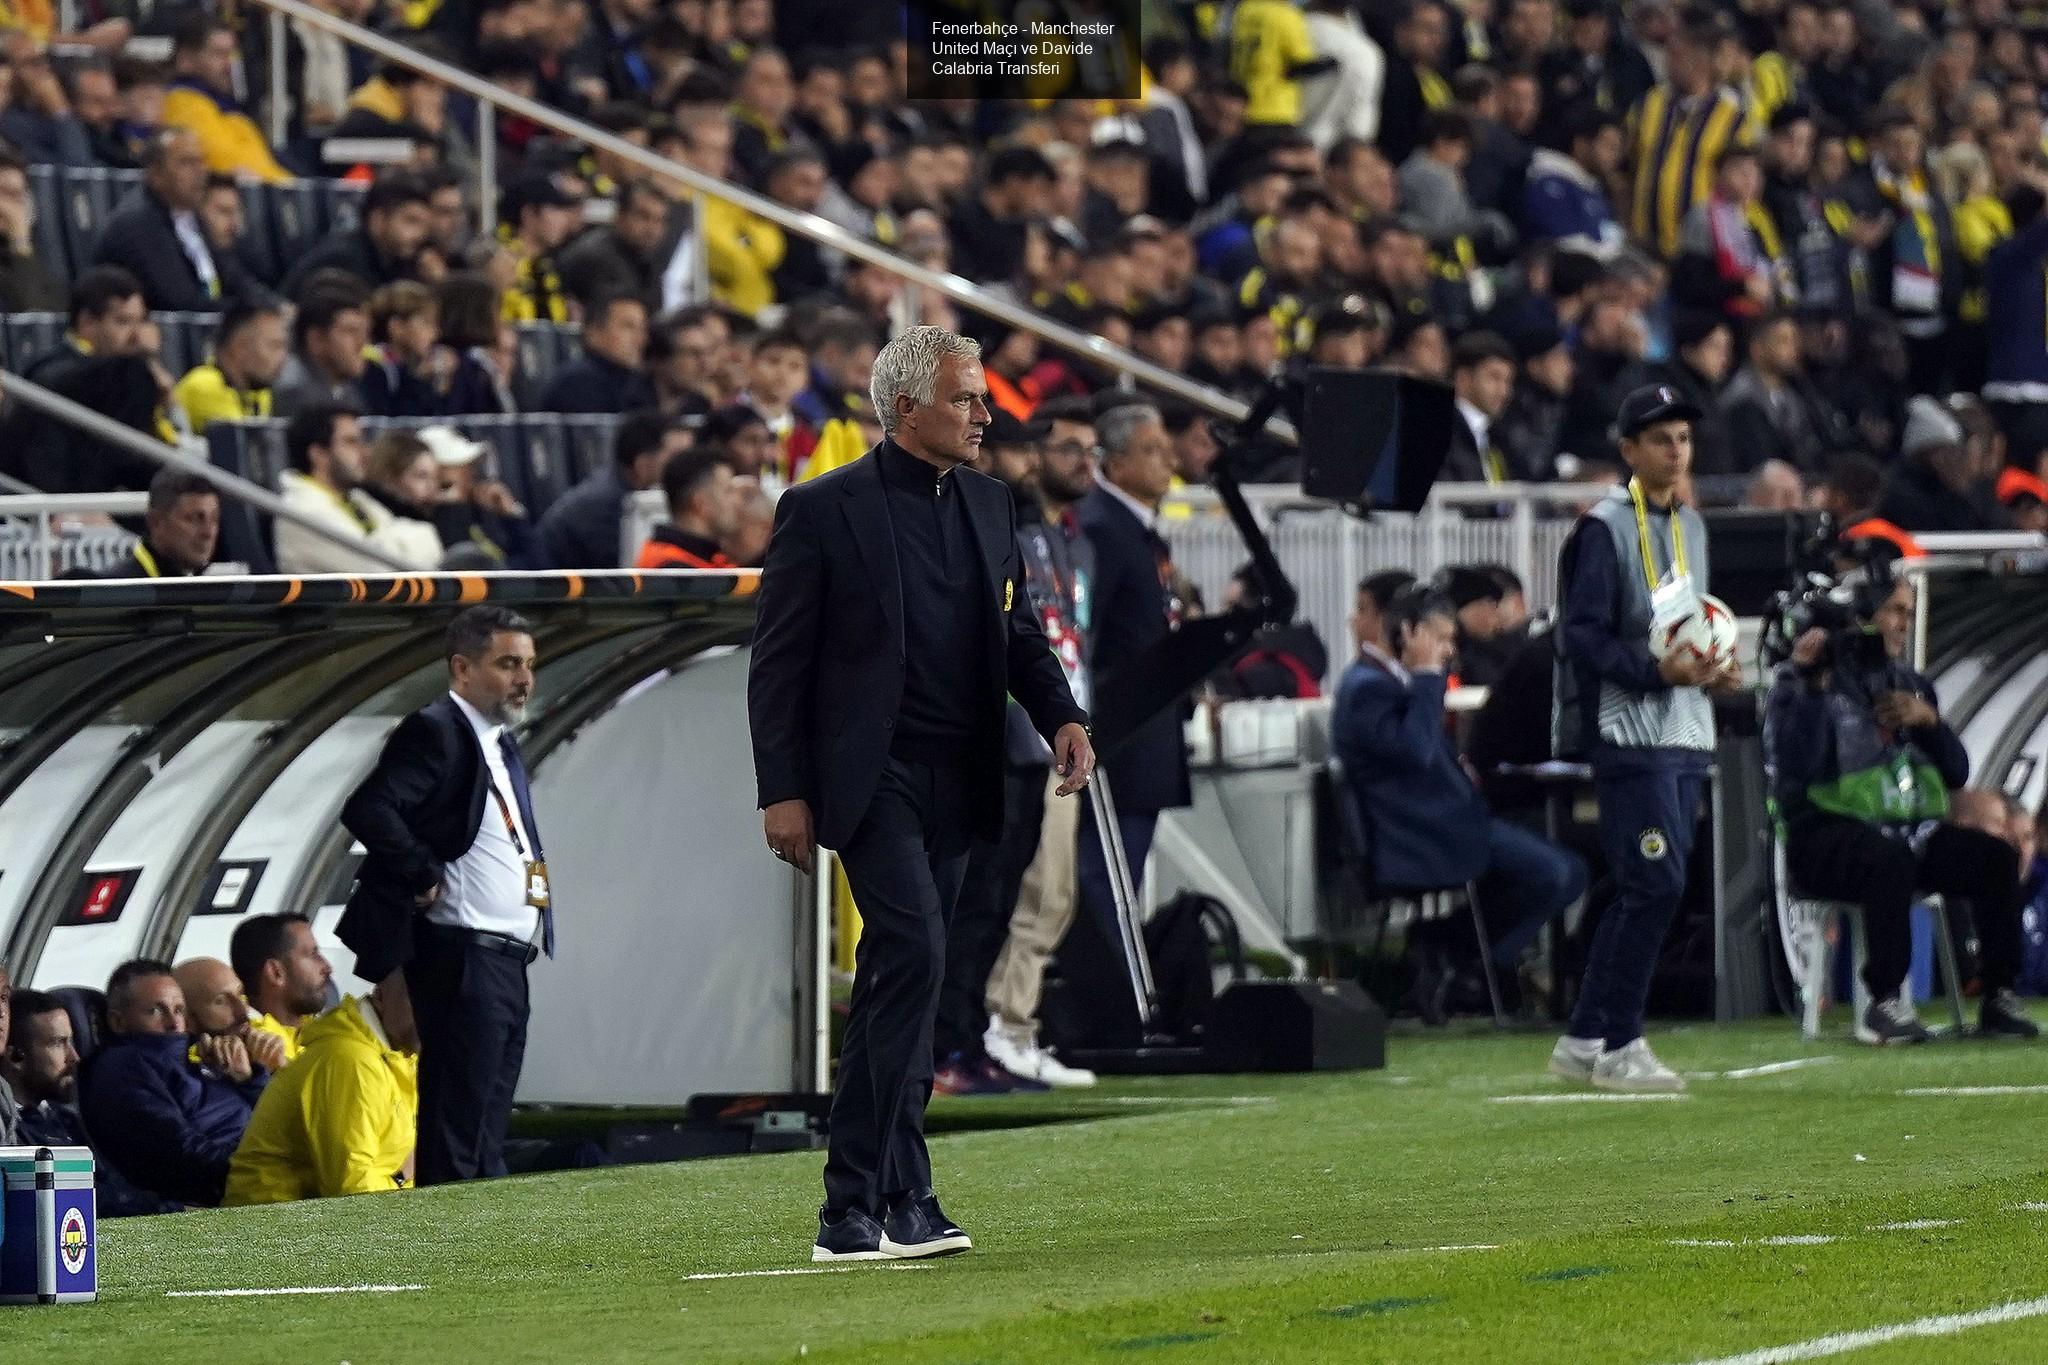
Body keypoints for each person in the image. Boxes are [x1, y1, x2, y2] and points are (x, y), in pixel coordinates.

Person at [748, 326, 1093, 1262]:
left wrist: (1062, 712)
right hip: (875, 777)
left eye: (983, 398)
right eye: (968, 399)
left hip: (963, 768)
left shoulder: (990, 502)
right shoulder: (822, 508)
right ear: (906, 408)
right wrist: (781, 788)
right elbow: (778, 663)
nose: (987, 414)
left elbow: (1018, 634)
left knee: (914, 975)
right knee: (913, 951)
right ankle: (850, 1203)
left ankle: (898, 1197)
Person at [1550, 383, 1742, 1092]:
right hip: (1628, 729)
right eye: (1661, 438)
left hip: (1685, 728)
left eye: (1684, 437)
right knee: (1653, 882)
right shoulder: (1601, 528)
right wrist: (1653, 670)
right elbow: (1580, 635)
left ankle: (1585, 1035)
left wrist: (1713, 669)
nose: (1677, 449)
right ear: (1628, 450)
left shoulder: (1693, 526)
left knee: (1652, 885)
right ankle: (1622, 1042)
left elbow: (1693, 619)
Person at [1766, 576, 2038, 1041]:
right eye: (1894, 611)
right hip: (1821, 837)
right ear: (1861, 618)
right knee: (1886, 860)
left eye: (1907, 613)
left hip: (1906, 833)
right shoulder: (1798, 682)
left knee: (1995, 856)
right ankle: (1885, 1001)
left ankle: (1998, 995)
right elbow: (1798, 767)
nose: (1903, 623)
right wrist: (1814, 689)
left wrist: (1930, 722)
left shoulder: (1910, 684)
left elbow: (1955, 773)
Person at [338, 606, 552, 1185]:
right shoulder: (435, 730)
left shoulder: (499, 742)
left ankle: (482, 1259)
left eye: (529, 664)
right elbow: (369, 809)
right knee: (456, 1127)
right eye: (508, 664)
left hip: (508, 959)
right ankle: (445, 1259)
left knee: (486, 1128)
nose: (524, 679)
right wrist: (422, 871)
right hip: (463, 956)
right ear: (461, 668)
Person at [1334, 586, 1587, 1017]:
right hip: (1421, 835)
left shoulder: (1385, 682)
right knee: (1562, 872)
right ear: (1408, 632)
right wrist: (1428, 677)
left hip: (1448, 823)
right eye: (1440, 638)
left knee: (1551, 857)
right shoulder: (1367, 688)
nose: (1449, 650)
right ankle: (1474, 963)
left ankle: (1448, 949)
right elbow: (1416, 752)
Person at [978, 399, 1100, 1089]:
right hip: (1024, 736)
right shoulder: (1015, 534)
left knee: (1054, 890)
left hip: (1062, 728)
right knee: (1036, 885)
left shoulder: (1070, 541)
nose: (1080, 463)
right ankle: (1003, 1023)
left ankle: (1014, 1023)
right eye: (1064, 449)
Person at [1073, 403, 1192, 1004]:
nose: (1168, 459)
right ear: (1114, 464)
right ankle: (1118, 1002)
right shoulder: (1101, 529)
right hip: (1120, 734)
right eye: (1150, 449)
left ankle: (1126, 997)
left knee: (1123, 871)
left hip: (1144, 729)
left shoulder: (1134, 528)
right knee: (1103, 871)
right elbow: (1088, 640)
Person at [76, 958, 268, 1206]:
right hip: (234, 1186)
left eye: (179, 1010)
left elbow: (274, 1114)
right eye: (156, 1010)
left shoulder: (202, 1057)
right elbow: (183, 1153)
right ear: (118, 1022)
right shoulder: (123, 1067)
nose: (174, 1022)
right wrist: (266, 1164)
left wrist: (248, 1079)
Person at [222, 974, 421, 1205]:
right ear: (382, 993)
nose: (435, 1012)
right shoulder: (351, 1060)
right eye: (422, 997)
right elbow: (352, 1197)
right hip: (271, 1226)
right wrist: (401, 1178)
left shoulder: (399, 1059)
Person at [4, 989, 181, 1216]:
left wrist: (169, 1208)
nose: (74, 1057)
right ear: (16, 1057)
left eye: (72, 1042)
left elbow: (112, 1185)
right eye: (59, 1043)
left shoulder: (64, 1118)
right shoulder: (11, 1132)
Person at [275, 403, 442, 574]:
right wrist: (409, 540)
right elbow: (377, 570)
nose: (365, 452)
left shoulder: (354, 497)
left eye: (362, 441)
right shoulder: (301, 512)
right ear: (318, 454)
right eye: (351, 442)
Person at [89, 127, 228, 312]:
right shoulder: (138, 224)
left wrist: (265, 307)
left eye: (201, 162)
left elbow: (233, 277)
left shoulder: (192, 216)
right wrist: (240, 315)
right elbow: (179, 301)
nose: (200, 172)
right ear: (155, 175)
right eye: (187, 163)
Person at [536, 409, 687, 570]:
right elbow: (625, 577)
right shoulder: (603, 507)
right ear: (642, 464)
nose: (689, 465)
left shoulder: (626, 490)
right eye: (678, 457)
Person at [159, 16, 291, 184]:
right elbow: (223, 161)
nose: (229, 64)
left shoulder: (228, 109)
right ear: (186, 60)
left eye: (231, 54)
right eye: (218, 54)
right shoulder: (182, 101)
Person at [62, 467, 218, 579]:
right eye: (195, 519)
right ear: (156, 522)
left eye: (214, 519)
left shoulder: (211, 594)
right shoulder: (106, 592)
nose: (208, 533)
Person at [230, 912, 335, 1064]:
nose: (327, 967)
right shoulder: (247, 1051)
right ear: (275, 972)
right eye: (313, 954)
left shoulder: (317, 1029)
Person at [171, 298, 285, 434]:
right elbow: (239, 448)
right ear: (240, 347)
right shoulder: (205, 386)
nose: (283, 357)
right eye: (274, 346)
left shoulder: (259, 391)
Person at [537, 290, 656, 414]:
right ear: (593, 331)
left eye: (643, 328)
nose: (641, 339)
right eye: (628, 327)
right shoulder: (578, 384)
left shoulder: (635, 382)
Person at [174, 957, 289, 1075]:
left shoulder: (267, 1049)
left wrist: (278, 1070)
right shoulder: (183, 1078)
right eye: (221, 1001)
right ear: (187, 1020)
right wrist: (258, 1077)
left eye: (240, 993)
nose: (243, 1010)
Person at [273, 284, 371, 417]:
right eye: (350, 331)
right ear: (317, 339)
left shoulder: (347, 390)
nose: (361, 343)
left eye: (364, 333)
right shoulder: (294, 391)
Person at [635, 449, 740, 568]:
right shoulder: (672, 570)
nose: (737, 501)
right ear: (700, 503)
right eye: (728, 491)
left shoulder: (710, 557)